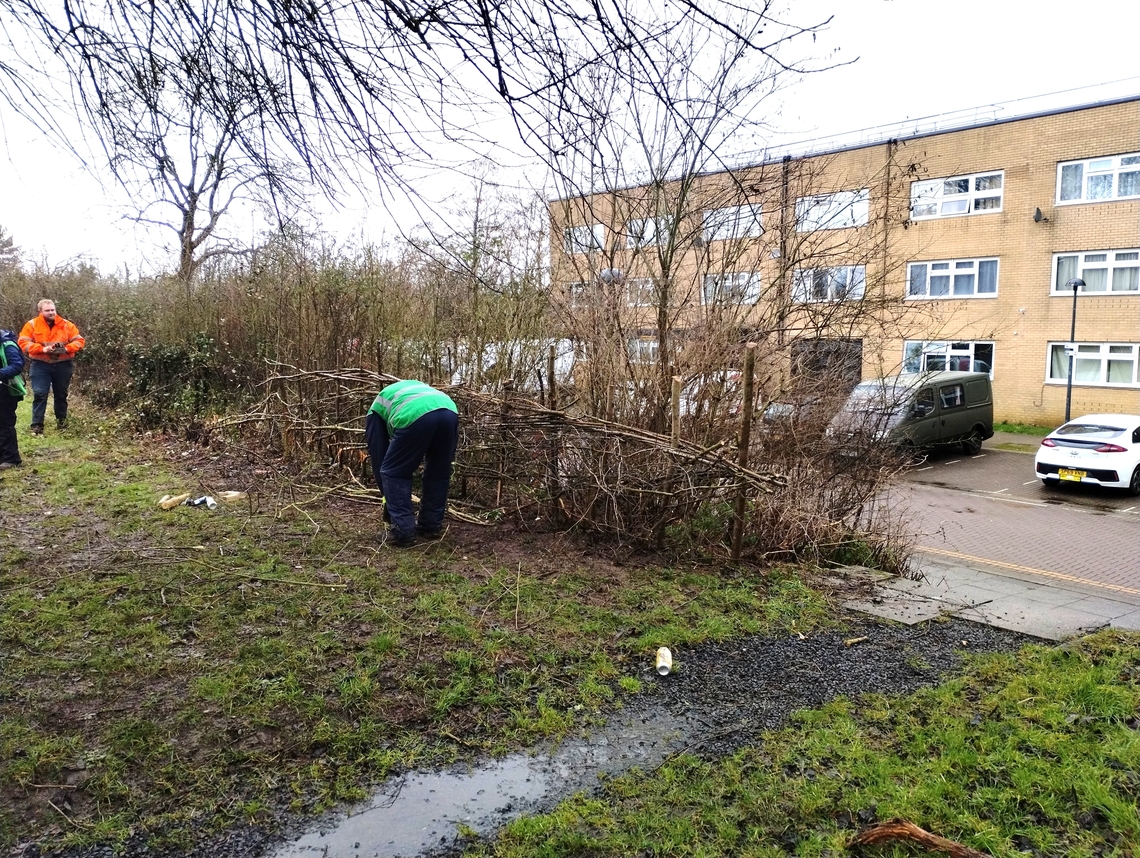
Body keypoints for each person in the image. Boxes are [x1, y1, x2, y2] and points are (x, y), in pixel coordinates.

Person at [365, 379, 459, 547]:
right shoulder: (411, 388)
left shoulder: (375, 411)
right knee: (438, 472)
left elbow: (380, 460)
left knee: (393, 472)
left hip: (414, 412)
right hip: (449, 410)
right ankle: (430, 526)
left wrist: (388, 497)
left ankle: (403, 531)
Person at [18, 299, 85, 434]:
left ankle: (62, 424)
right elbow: (23, 343)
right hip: (40, 364)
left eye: (52, 310)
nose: (51, 313)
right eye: (47, 310)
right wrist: (42, 349)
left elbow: (80, 341)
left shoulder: (66, 324)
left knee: (61, 394)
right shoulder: (32, 325)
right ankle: (37, 426)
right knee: (40, 394)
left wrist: (66, 349)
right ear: (40, 312)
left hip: (63, 364)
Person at [0, 327, 26, 471]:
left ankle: (11, 458)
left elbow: (17, 365)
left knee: (5, 423)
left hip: (6, 389)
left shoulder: (7, 344)